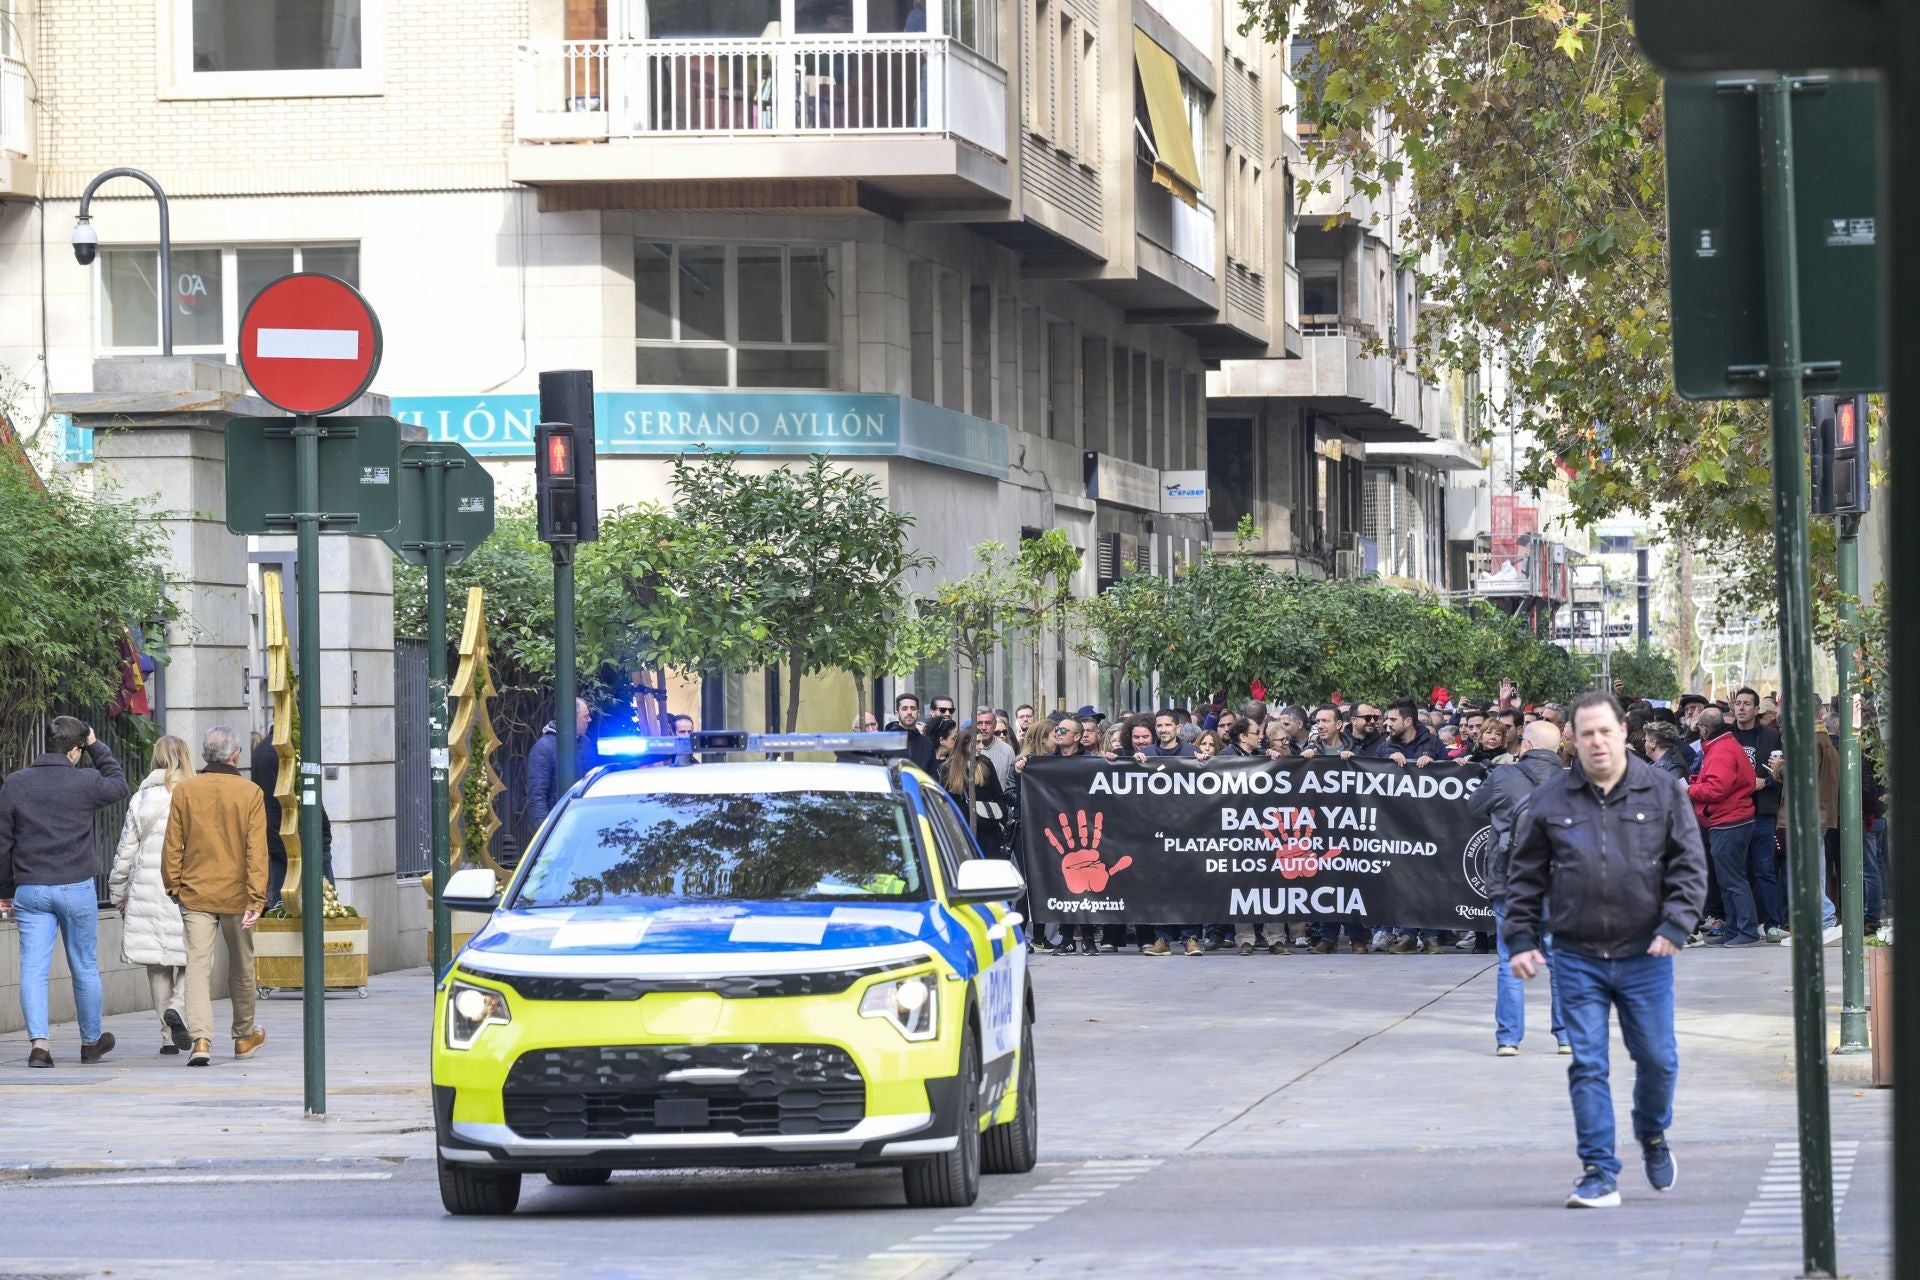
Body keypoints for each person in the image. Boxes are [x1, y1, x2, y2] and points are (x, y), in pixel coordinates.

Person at [1504, 691, 1707, 1209]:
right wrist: (1521, 940)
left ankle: (1653, 1134)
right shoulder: (1551, 800)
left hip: (1647, 954)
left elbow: (1689, 865)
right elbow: (1525, 877)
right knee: (1588, 1064)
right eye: (1586, 732)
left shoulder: (1662, 791)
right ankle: (1599, 1172)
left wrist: (1676, 925)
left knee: (1658, 1060)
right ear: (1571, 738)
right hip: (1577, 956)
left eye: (1605, 731)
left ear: (1624, 734)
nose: (1597, 741)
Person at [0, 716, 129, 1067]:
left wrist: (5, 890)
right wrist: (96, 744)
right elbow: (119, 784)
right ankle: (90, 1043)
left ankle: (40, 1046)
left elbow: (4, 843)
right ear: (75, 751)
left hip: (31, 889)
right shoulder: (86, 781)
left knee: (33, 970)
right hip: (76, 888)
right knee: (84, 967)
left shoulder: (16, 783)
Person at [162, 726, 270, 1068]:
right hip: (238, 896)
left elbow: (172, 843)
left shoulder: (186, 790)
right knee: (242, 964)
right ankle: (242, 1036)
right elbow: (256, 850)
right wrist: (256, 898)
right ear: (236, 756)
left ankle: (201, 1040)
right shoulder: (250, 792)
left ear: (206, 755)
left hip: (195, 892)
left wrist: (173, 885)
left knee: (196, 966)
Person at [1469, 721, 1569, 1056]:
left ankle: (1509, 1039)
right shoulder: (1575, 782)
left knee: (1510, 959)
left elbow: (1473, 807)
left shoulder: (1504, 776)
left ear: (1525, 745)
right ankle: (1567, 1037)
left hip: (1512, 878)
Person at [108, 735, 197, 1057]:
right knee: (194, 957)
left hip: (147, 889)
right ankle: (178, 1007)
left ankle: (167, 1037)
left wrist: (118, 891)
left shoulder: (141, 798)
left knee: (158, 965)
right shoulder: (195, 795)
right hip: (185, 888)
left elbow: (125, 851)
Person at [1689, 708, 1760, 947]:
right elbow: (1744, 779)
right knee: (1729, 878)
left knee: (1732, 879)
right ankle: (1733, 929)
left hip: (1728, 821)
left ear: (1705, 727)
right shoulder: (1727, 745)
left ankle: (1747, 931)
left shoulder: (1721, 750)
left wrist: (1688, 790)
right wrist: (1695, 783)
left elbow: (1716, 789)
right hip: (1731, 819)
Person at [250, 730, 333, 910]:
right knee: (323, 903)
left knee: (280, 903)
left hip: (277, 837)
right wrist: (323, 834)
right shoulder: (289, 750)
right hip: (297, 837)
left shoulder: (261, 750)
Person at [1727, 687, 1786, 935]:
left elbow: (1783, 773)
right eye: (1738, 703)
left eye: (1747, 704)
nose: (1741, 708)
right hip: (1732, 812)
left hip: (1762, 811)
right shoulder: (1726, 738)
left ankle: (1773, 924)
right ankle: (1740, 924)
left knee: (1764, 870)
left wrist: (1767, 782)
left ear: (1756, 709)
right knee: (1736, 872)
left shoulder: (1771, 737)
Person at [527, 697, 591, 831]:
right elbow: (537, 797)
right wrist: (546, 834)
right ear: (571, 718)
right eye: (585, 716)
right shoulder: (543, 749)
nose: (589, 720)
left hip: (584, 824)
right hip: (559, 826)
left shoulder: (586, 743)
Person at [944, 725, 1009, 855]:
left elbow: (998, 795)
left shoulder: (985, 763)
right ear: (964, 744)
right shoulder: (949, 769)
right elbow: (948, 803)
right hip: (964, 831)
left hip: (989, 832)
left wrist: (1000, 817)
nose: (981, 746)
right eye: (976, 742)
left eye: (981, 742)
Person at [885, 692, 938, 771]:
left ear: (918, 713)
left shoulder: (927, 743)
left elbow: (932, 776)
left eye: (913, 708)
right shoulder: (885, 742)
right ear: (897, 713)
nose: (909, 712)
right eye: (904, 708)